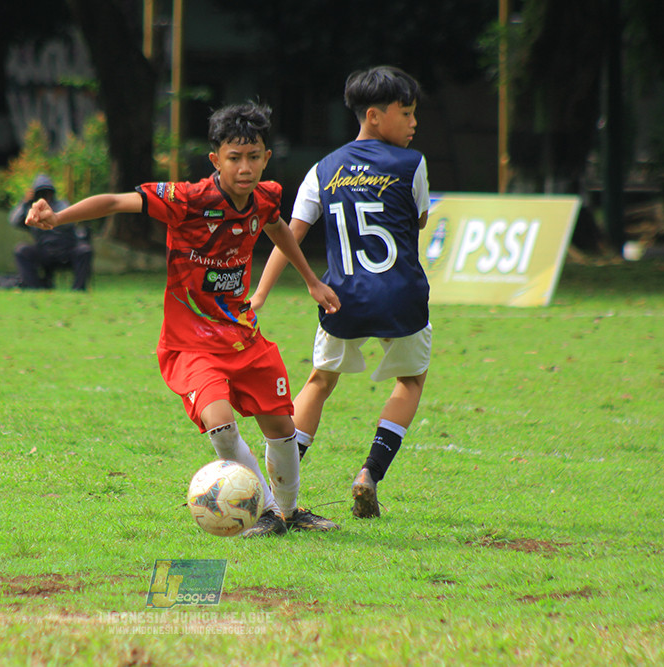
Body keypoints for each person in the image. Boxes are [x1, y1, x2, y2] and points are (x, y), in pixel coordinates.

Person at [27, 102, 342, 536]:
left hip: (243, 337)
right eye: (235, 158)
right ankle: (265, 509)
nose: (245, 167)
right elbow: (119, 200)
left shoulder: (266, 195)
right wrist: (59, 216)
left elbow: (277, 228)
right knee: (221, 424)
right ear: (216, 160)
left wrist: (310, 279)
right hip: (190, 343)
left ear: (267, 157)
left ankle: (290, 511)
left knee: (282, 427)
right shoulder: (188, 200)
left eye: (254, 157)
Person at [251, 66, 431, 519]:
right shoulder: (413, 165)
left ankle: (276, 493)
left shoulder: (322, 168)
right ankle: (369, 473)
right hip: (400, 296)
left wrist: (259, 296)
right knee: (410, 381)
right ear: (373, 115)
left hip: (340, 296)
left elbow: (286, 235)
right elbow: (420, 219)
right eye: (406, 113)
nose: (413, 123)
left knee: (319, 382)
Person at [8, 174, 93, 290]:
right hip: (44, 250)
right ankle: (34, 286)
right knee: (21, 250)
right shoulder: (30, 208)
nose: (45, 196)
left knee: (84, 250)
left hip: (66, 249)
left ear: (52, 193)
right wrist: (24, 202)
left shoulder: (61, 204)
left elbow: (70, 221)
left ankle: (78, 288)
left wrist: (52, 216)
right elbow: (14, 221)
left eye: (47, 192)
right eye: (41, 193)